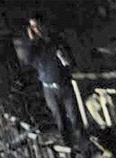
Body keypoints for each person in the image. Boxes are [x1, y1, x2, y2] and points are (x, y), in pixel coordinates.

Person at [14, 18, 83, 148]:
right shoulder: (36, 46)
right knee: (60, 122)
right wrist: (32, 40)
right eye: (33, 27)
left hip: (64, 85)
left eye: (38, 25)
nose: (37, 29)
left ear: (44, 25)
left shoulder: (57, 40)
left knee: (75, 119)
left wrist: (65, 58)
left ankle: (85, 152)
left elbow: (71, 61)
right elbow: (27, 60)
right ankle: (70, 153)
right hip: (49, 88)